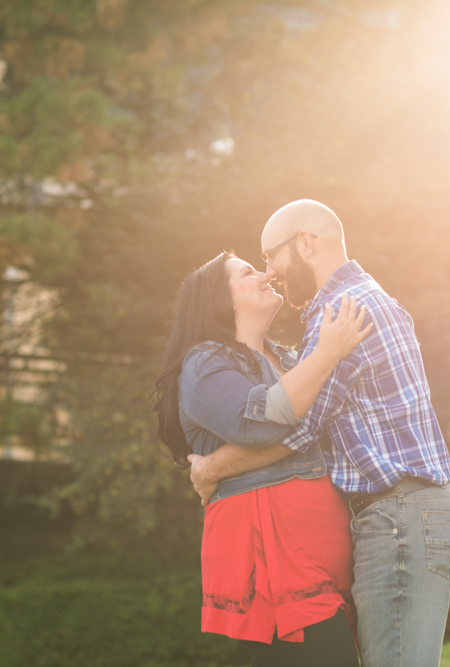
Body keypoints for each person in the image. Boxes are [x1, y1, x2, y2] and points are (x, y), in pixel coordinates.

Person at [188, 200, 450, 667]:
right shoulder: (361, 298)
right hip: (401, 513)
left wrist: (211, 469)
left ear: (305, 244)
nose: (271, 272)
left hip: (398, 514)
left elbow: (298, 429)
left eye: (270, 257)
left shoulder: (341, 310)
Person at [151, 250, 373, 667]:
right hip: (270, 549)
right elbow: (255, 426)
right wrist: (328, 353)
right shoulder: (205, 362)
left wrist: (214, 467)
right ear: (222, 299)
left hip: (320, 545)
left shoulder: (290, 358)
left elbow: (329, 428)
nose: (265, 273)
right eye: (247, 272)